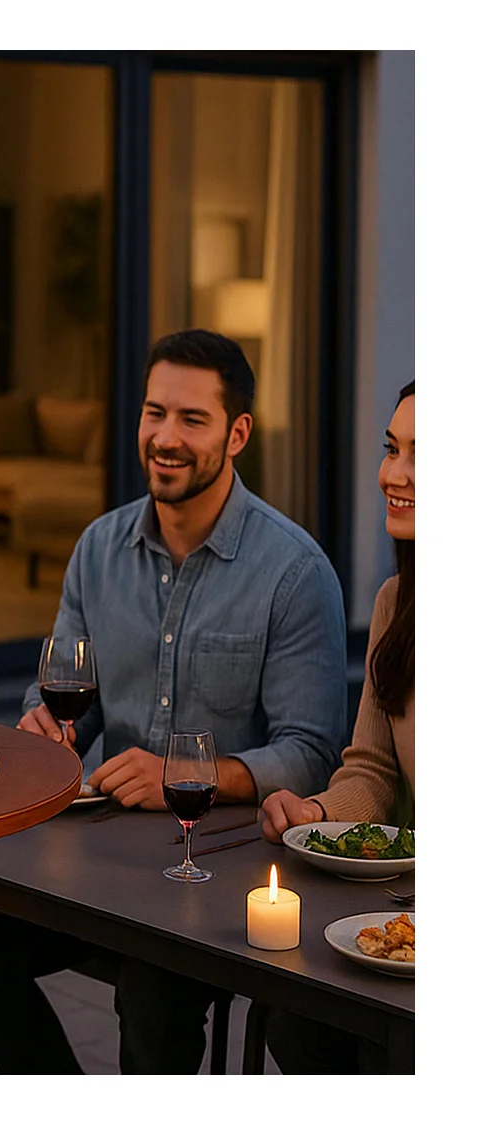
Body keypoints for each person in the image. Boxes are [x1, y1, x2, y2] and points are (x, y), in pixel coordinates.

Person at [0, 328, 348, 1073]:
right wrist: (46, 726)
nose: (165, 436)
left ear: (238, 432)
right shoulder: (98, 548)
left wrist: (187, 776)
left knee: (152, 991)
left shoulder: (294, 573)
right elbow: (68, 699)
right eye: (155, 412)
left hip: (227, 872)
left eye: (192, 419)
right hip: (109, 860)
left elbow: (312, 752)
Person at [258, 381, 414, 1074]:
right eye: (392, 449)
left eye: (423, 456)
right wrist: (316, 813)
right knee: (297, 1016)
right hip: (407, 917)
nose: (394, 473)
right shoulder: (397, 604)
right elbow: (374, 770)